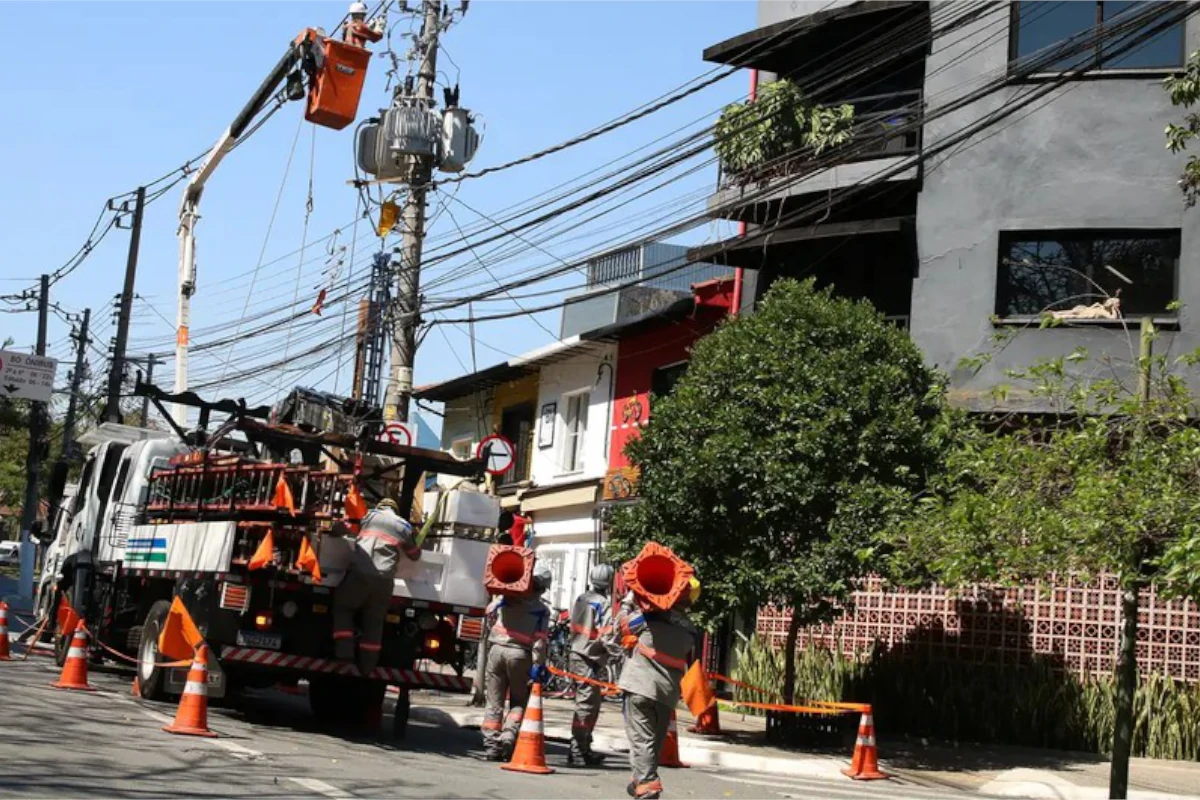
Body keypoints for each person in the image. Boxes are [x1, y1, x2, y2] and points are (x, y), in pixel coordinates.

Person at [615, 577, 701, 799]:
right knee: (653, 742)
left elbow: (619, 629)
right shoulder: (691, 630)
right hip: (667, 692)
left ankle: (646, 783)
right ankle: (641, 780)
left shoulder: (646, 619)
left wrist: (628, 602)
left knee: (641, 739)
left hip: (639, 686)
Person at [332, 498, 419, 674]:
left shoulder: (368, 516)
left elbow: (343, 529)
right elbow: (414, 555)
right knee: (374, 622)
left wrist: (333, 531)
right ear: (395, 510)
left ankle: (345, 654)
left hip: (360, 575)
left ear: (379, 507)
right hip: (384, 581)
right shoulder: (403, 526)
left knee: (343, 608)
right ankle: (367, 666)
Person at [482, 562, 552, 761]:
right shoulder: (541, 610)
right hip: (520, 655)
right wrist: (538, 666)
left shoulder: (506, 599)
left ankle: (491, 745)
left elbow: (489, 612)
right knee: (519, 700)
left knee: (494, 700)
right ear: (544, 588)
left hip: (496, 650)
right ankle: (508, 735)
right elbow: (539, 642)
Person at [567, 563, 619, 766]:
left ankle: (584, 748)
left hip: (577, 653)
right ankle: (578, 751)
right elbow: (606, 635)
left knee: (592, 705)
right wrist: (615, 651)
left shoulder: (582, 598)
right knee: (586, 706)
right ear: (608, 582)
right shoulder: (602, 603)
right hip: (589, 657)